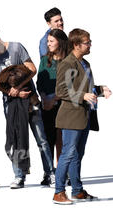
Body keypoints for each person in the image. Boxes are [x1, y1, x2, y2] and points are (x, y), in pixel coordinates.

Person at [0, 23, 55, 189]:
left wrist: (18, 87)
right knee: (15, 138)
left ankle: (50, 173)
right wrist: (11, 92)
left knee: (41, 139)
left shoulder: (16, 47)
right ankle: (19, 176)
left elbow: (32, 69)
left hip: (30, 99)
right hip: (11, 103)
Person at [52, 28, 112, 205]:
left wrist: (100, 90)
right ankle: (58, 192)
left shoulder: (84, 63)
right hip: (71, 117)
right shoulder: (67, 63)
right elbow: (61, 90)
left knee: (78, 154)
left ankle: (77, 190)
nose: (90, 44)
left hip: (85, 116)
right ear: (76, 45)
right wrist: (82, 96)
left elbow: (85, 88)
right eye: (87, 42)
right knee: (68, 154)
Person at [37, 29, 72, 186]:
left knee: (63, 141)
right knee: (47, 139)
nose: (48, 44)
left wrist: (55, 99)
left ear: (60, 42)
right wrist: (45, 98)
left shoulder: (70, 61)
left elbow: (70, 84)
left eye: (51, 41)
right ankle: (49, 172)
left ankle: (65, 173)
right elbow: (40, 82)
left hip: (64, 105)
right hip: (47, 105)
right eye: (48, 41)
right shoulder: (45, 60)